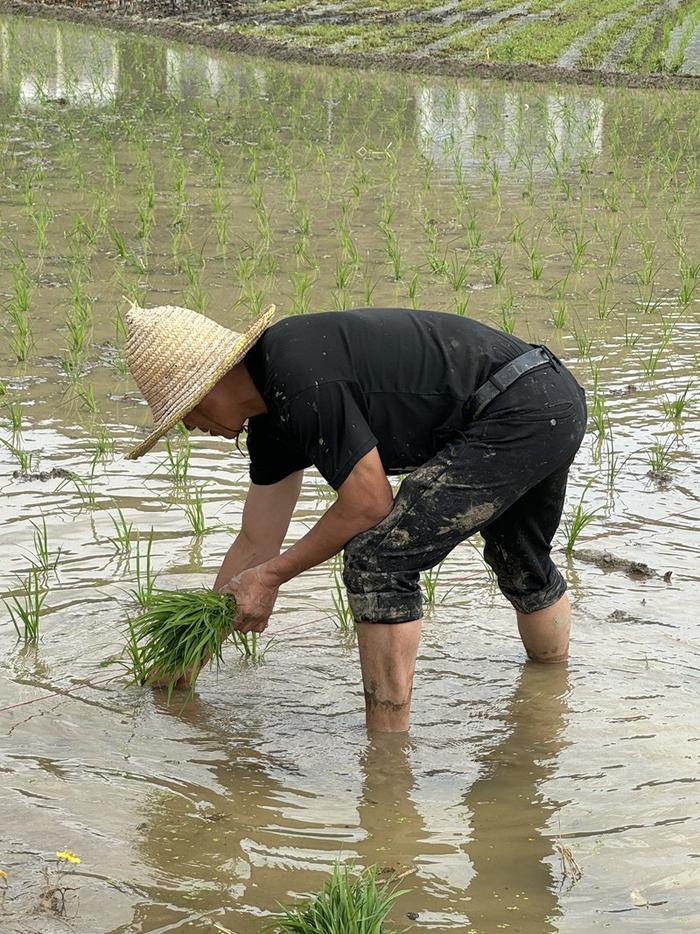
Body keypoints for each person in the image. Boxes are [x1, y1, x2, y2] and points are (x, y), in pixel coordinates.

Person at [125, 302, 587, 732]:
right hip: (548, 399)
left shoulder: (297, 377)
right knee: (519, 558)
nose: (188, 425)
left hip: (519, 409)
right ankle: (549, 699)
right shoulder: (271, 416)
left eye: (185, 410)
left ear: (212, 384)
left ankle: (387, 756)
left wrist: (269, 578)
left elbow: (368, 502)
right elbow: (254, 542)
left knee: (378, 560)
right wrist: (187, 657)